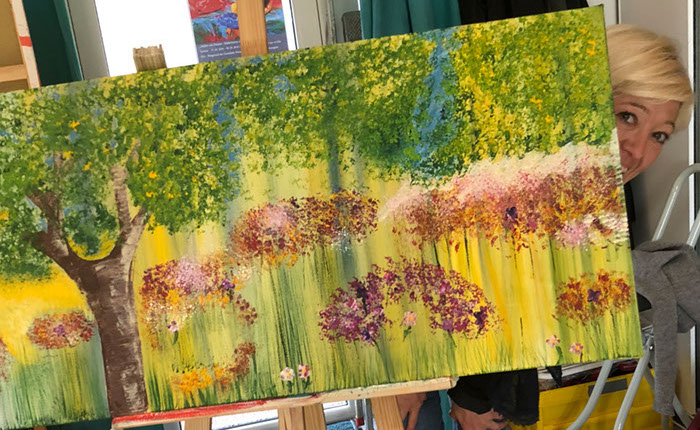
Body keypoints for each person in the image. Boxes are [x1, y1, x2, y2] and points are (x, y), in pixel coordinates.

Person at [400, 23, 694, 430]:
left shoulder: (591, 193)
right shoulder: (502, 176)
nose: (638, 151)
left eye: (659, 135)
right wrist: (464, 397)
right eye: (627, 116)